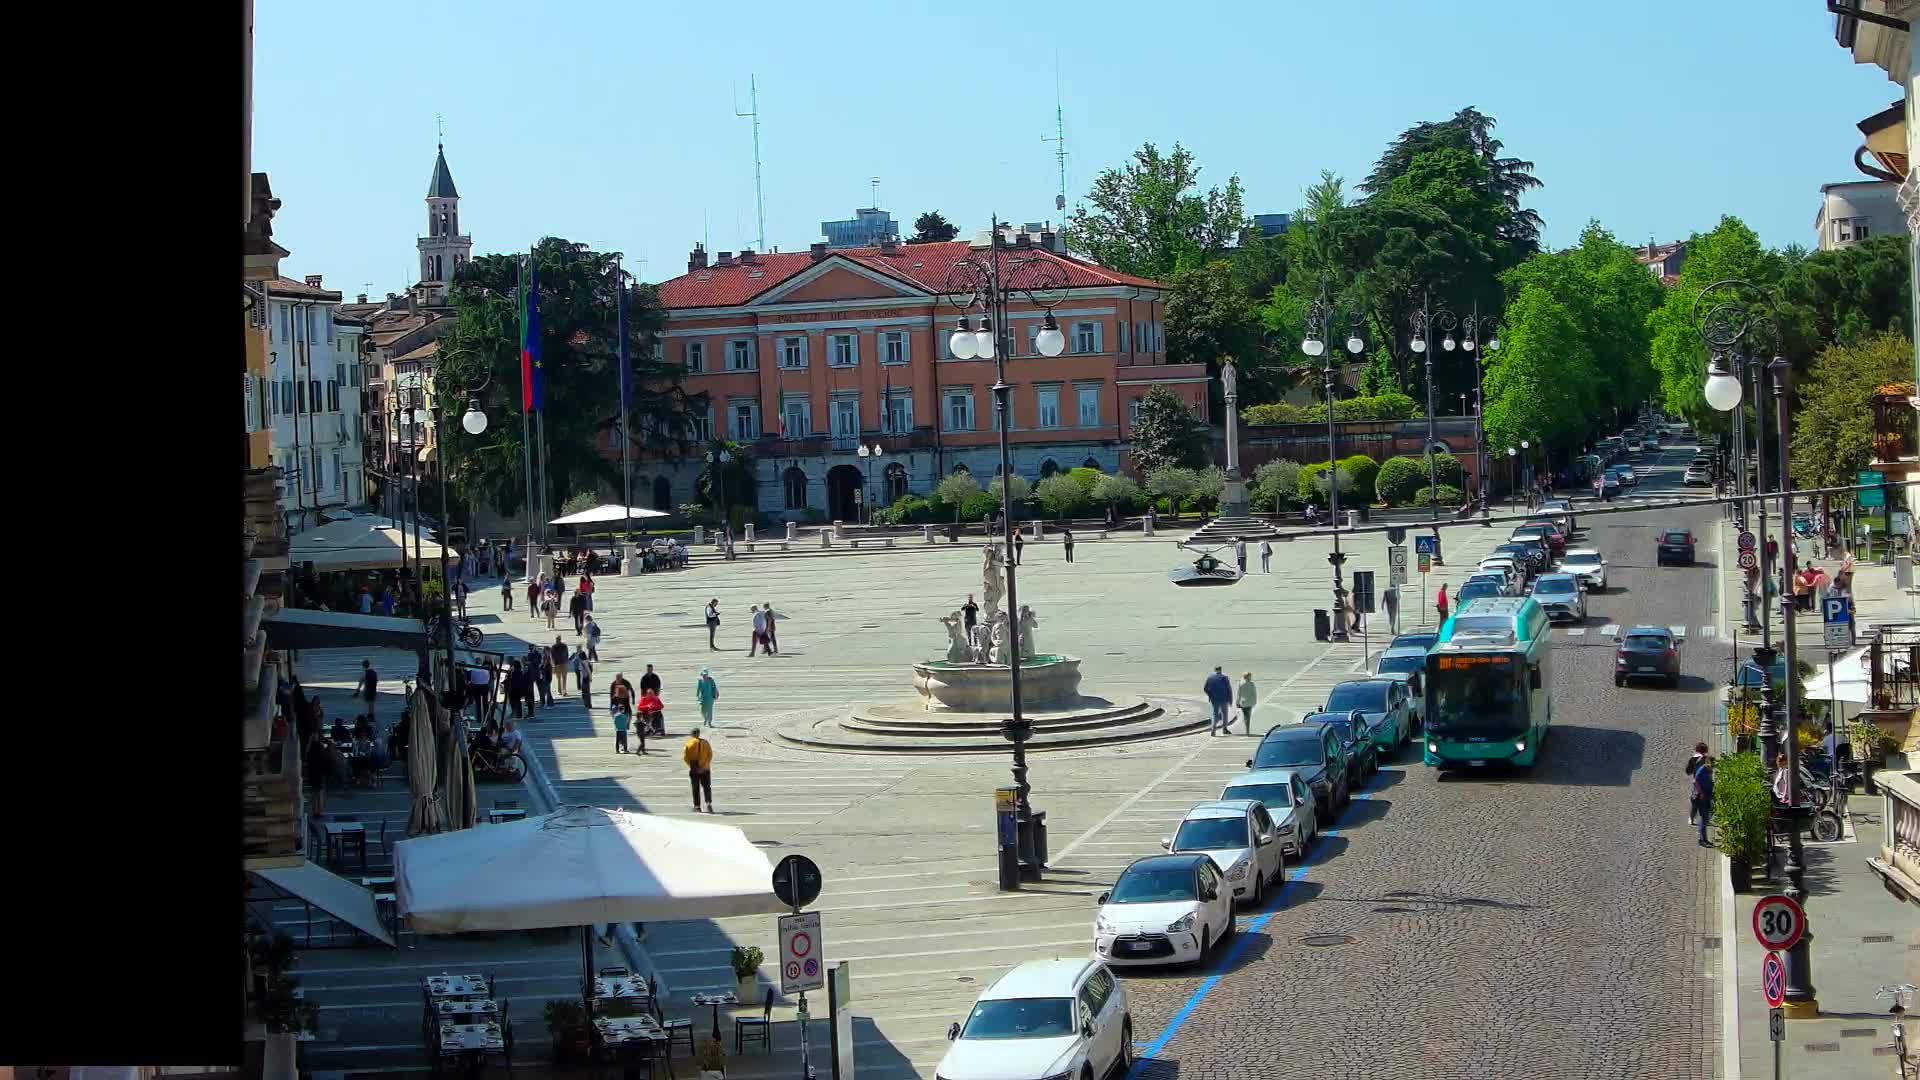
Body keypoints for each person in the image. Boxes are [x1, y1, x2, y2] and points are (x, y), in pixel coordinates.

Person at [684, 727, 715, 812]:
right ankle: (708, 804)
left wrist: (691, 765)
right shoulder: (705, 742)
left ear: (692, 734)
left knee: (695, 787)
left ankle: (697, 806)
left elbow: (686, 757)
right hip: (705, 769)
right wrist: (705, 765)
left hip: (694, 768)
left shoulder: (689, 743)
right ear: (699, 733)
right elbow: (710, 755)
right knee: (707, 787)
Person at [1203, 666, 1233, 736]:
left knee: (1215, 714)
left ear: (1214, 670)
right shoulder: (1225, 678)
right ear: (1220, 670)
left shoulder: (1210, 678)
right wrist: (1230, 700)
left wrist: (1210, 695)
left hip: (1214, 699)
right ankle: (1224, 729)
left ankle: (1213, 730)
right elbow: (1229, 689)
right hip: (1224, 699)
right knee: (1224, 714)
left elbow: (1205, 688)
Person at [1692, 755, 1715, 846]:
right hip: (1702, 797)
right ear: (1707, 762)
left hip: (1707, 795)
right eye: (1712, 764)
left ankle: (1703, 838)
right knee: (1703, 817)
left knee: (1705, 818)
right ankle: (1702, 839)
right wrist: (1701, 793)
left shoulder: (1709, 770)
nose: (1713, 765)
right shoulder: (1702, 770)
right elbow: (1695, 781)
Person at [1686, 743, 1709, 823]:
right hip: (1707, 781)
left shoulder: (1693, 759)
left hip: (1697, 782)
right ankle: (1705, 818)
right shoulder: (1707, 759)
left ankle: (1692, 818)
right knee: (1706, 799)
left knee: (1695, 800)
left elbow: (1688, 772)